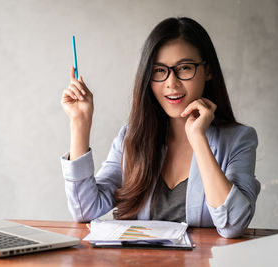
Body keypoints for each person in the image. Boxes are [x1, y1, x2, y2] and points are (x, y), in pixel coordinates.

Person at [60, 17, 260, 238]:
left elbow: (233, 225)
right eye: (159, 70)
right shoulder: (132, 137)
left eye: (184, 68)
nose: (171, 83)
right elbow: (85, 209)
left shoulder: (239, 139)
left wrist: (198, 139)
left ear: (208, 71)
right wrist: (80, 122)